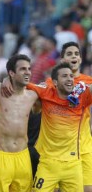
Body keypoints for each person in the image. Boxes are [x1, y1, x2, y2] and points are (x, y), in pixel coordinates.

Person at [28, 62, 92, 191]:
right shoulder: (45, 92)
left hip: (73, 164)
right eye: (64, 76)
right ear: (55, 82)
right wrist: (7, 80)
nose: (69, 79)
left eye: (71, 76)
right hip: (48, 164)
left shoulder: (81, 94)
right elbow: (20, 84)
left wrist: (84, 85)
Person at [0, 54, 39, 192]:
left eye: (29, 68)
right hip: (0, 155)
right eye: (22, 69)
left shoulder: (33, 96)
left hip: (23, 156)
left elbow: (52, 86)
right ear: (11, 72)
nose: (27, 72)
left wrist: (8, 79)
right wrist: (5, 79)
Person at [46, 42, 92, 192]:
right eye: (70, 54)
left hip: (84, 148)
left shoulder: (89, 82)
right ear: (62, 60)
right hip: (59, 152)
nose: (74, 56)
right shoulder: (51, 83)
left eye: (76, 54)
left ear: (80, 59)